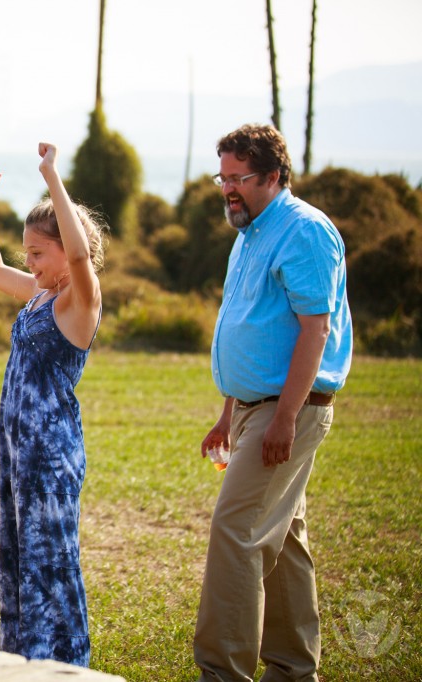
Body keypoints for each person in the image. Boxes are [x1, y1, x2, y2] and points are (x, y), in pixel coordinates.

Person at [195, 124, 353, 681]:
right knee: (283, 539)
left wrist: (284, 416)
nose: (227, 190)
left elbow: (315, 330)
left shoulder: (304, 231)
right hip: (252, 409)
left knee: (235, 532)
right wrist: (228, 412)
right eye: (224, 177)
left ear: (274, 176)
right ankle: (292, 670)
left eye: (238, 178)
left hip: (290, 408)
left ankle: (222, 673)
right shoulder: (249, 233)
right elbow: (252, 328)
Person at [0, 142, 106, 667]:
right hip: (17, 451)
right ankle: (25, 660)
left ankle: (63, 664)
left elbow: (75, 256)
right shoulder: (38, 292)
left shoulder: (79, 298)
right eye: (27, 254)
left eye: (38, 254)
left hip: (50, 455)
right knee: (22, 559)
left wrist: (52, 176)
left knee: (50, 564)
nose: (30, 263)